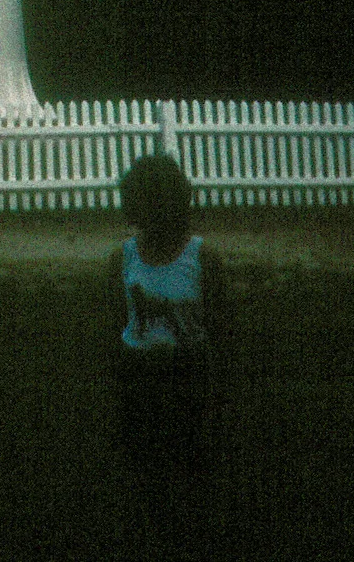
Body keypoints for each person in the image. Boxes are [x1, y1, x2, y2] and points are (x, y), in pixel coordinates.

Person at [109, 149, 226, 561]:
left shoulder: (202, 259)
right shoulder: (124, 257)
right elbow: (111, 325)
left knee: (190, 464)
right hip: (138, 374)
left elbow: (222, 329)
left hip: (186, 374)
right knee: (144, 471)